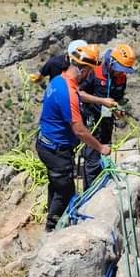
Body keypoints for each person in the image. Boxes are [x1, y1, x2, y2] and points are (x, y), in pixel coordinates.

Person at [36, 44, 112, 232]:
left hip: (47, 144)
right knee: (66, 192)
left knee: (56, 185)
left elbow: (80, 95)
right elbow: (79, 130)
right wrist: (100, 147)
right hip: (56, 150)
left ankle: (52, 220)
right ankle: (52, 230)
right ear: (84, 69)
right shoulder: (67, 92)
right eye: (90, 71)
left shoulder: (59, 81)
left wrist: (102, 101)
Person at [78, 43, 137, 188]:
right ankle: (90, 195)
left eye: (122, 71)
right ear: (111, 62)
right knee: (92, 159)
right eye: (118, 70)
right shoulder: (94, 71)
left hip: (106, 121)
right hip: (91, 119)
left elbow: (117, 98)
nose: (119, 73)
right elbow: (79, 93)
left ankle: (100, 188)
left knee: (104, 154)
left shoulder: (121, 77)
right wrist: (101, 101)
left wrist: (118, 110)